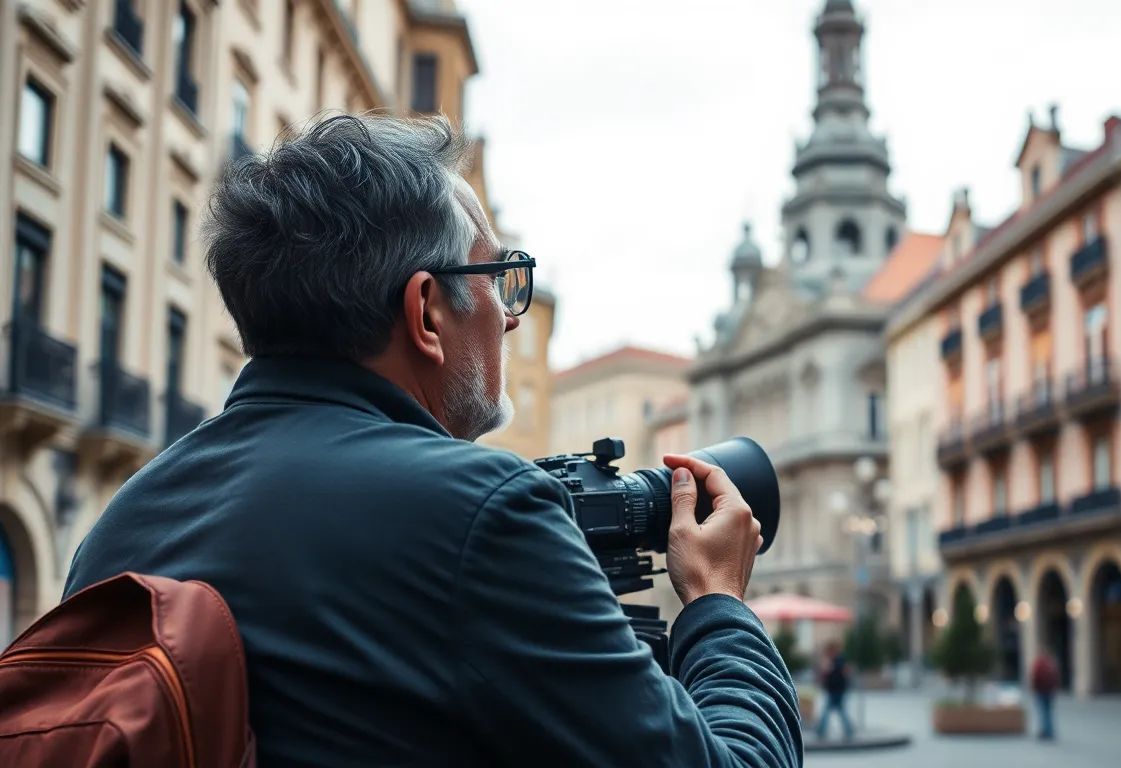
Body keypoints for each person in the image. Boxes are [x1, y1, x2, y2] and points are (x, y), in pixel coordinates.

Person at [63, 113, 802, 767]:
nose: (512, 320)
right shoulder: (481, 516)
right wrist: (716, 600)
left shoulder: (121, 525)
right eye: (499, 280)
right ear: (425, 312)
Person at [816, 640, 854, 741]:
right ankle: (848, 730)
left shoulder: (838, 660)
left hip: (836, 689)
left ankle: (820, 731)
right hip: (835, 689)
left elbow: (844, 672)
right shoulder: (839, 659)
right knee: (839, 711)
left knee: (829, 711)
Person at [1029, 649, 1061, 741]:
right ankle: (1050, 730)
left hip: (1041, 691)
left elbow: (1035, 676)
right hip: (1050, 691)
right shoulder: (1051, 664)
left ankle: (1044, 731)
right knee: (1049, 711)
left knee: (1042, 711)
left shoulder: (1039, 663)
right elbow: (1056, 677)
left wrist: (1034, 688)